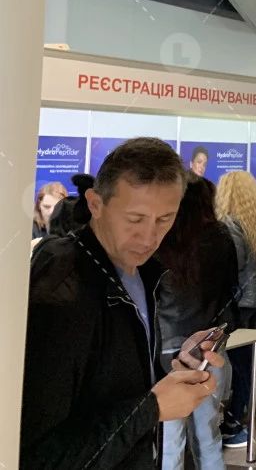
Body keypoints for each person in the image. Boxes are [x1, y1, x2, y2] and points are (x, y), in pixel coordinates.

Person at [21, 137, 223, 469]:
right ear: (95, 204)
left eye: (164, 219)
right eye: (134, 219)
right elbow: (37, 454)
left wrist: (173, 370)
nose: (149, 237)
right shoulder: (60, 290)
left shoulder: (140, 272)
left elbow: (112, 386)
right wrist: (151, 408)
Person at [156, 173, 239, 470]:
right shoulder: (220, 236)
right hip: (210, 346)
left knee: (170, 442)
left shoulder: (162, 239)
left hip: (168, 349)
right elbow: (232, 289)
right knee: (208, 434)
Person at [216, 170, 256, 447]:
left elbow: (233, 267)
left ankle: (245, 425)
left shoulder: (229, 226)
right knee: (250, 363)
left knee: (243, 367)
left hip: (239, 304)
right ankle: (247, 420)